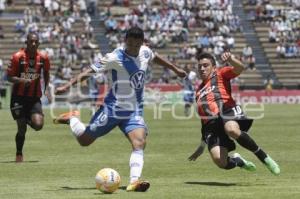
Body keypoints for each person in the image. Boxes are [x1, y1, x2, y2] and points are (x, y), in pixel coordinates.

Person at [53, 27, 186, 192]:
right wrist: (67, 85)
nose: (133, 48)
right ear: (125, 41)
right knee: (84, 140)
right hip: (112, 109)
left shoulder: (145, 52)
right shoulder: (114, 57)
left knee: (139, 143)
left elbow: (155, 57)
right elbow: (90, 71)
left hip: (134, 110)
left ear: (142, 43)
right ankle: (72, 118)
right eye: (130, 44)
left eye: (136, 45)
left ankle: (134, 181)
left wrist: (175, 69)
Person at [188, 52, 280, 175]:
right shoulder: (198, 91)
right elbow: (204, 120)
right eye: (200, 66)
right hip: (212, 125)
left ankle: (264, 157)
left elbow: (240, 68)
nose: (202, 69)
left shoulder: (220, 73)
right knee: (220, 161)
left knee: (231, 129)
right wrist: (201, 146)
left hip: (227, 110)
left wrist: (231, 59)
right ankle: (238, 161)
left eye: (205, 65)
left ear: (213, 67)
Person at [6, 32, 51, 163]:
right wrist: (21, 80)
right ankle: (19, 153)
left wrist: (46, 89)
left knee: (38, 125)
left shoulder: (43, 58)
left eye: (35, 41)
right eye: (31, 41)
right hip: (18, 97)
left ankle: (25, 118)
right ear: (26, 42)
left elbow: (47, 73)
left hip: (34, 98)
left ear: (38, 43)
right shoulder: (17, 57)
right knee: (21, 128)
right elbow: (9, 77)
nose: (33, 43)